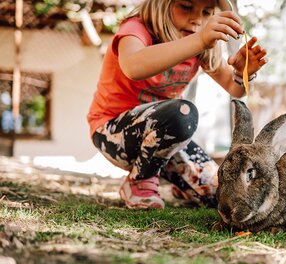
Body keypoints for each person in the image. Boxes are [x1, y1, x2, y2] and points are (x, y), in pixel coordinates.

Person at [87, 0, 267, 209]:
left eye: (207, 12)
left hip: (162, 140)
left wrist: (243, 72)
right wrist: (200, 39)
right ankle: (139, 182)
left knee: (221, 193)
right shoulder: (136, 28)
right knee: (183, 112)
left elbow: (235, 89)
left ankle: (180, 184)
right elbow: (133, 66)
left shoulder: (196, 45)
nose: (197, 19)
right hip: (111, 132)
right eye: (186, 7)